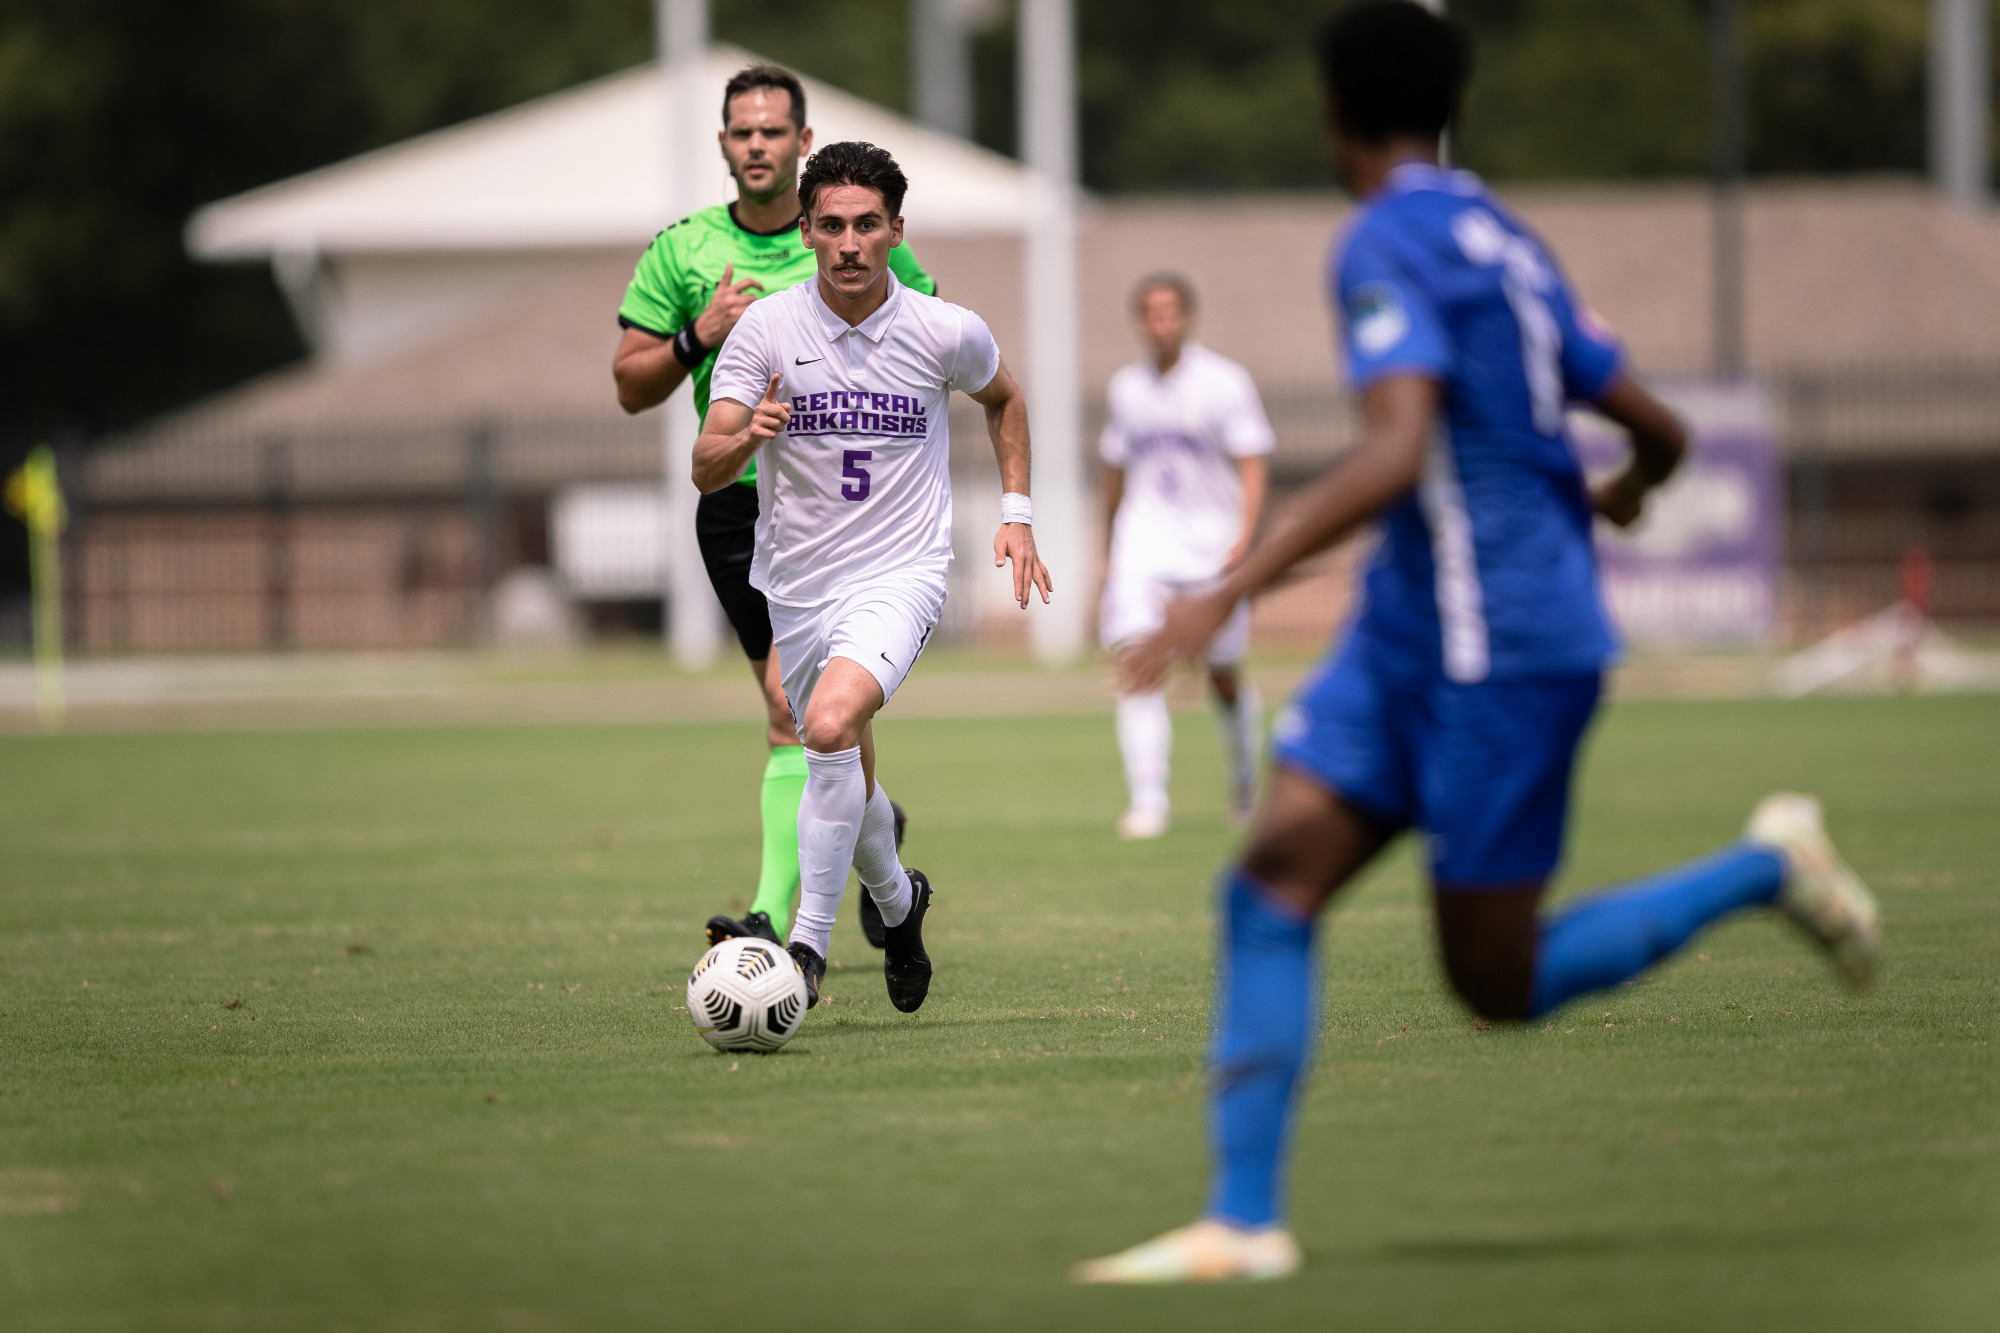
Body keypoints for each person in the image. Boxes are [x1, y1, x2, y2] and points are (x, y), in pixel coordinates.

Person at [1074, 1, 1879, 1284]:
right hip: (1417, 628)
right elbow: (1655, 427)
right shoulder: (1504, 237)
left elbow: (1396, 448)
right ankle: (1240, 1222)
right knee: (1268, 882)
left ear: (1331, 111)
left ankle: (1761, 870)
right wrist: (1620, 494)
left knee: (1491, 981)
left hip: (1495, 646)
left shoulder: (1383, 238)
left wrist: (1222, 589)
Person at [696, 140, 1052, 1012]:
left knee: (824, 726)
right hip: (798, 582)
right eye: (832, 226)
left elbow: (1004, 398)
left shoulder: (943, 328)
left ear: (896, 230)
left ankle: (804, 948)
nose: (849, 242)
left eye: (866, 225)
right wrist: (748, 436)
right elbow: (707, 464)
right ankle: (900, 900)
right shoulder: (767, 328)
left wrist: (1017, 515)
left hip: (903, 571)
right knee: (839, 753)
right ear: (808, 232)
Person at [613, 65, 938, 953]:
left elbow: (925, 343)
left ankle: (772, 919)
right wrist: (696, 338)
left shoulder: (850, 234)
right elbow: (631, 387)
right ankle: (879, 852)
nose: (757, 144)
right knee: (808, 723)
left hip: (847, 514)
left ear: (802, 141)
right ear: (724, 145)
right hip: (738, 503)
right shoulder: (681, 251)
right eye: (741, 131)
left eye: (773, 130)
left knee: (799, 716)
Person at [1099, 274, 1273, 839]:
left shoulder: (1225, 382)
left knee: (1223, 674)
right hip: (1144, 546)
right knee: (1138, 664)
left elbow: (1252, 462)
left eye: (1171, 311)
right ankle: (1148, 800)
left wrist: (1245, 537)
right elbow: (1115, 471)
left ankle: (1245, 782)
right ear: (1140, 321)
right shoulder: (1126, 388)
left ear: (1188, 317)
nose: (1161, 322)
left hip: (1211, 550)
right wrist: (1109, 548)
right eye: (1150, 312)